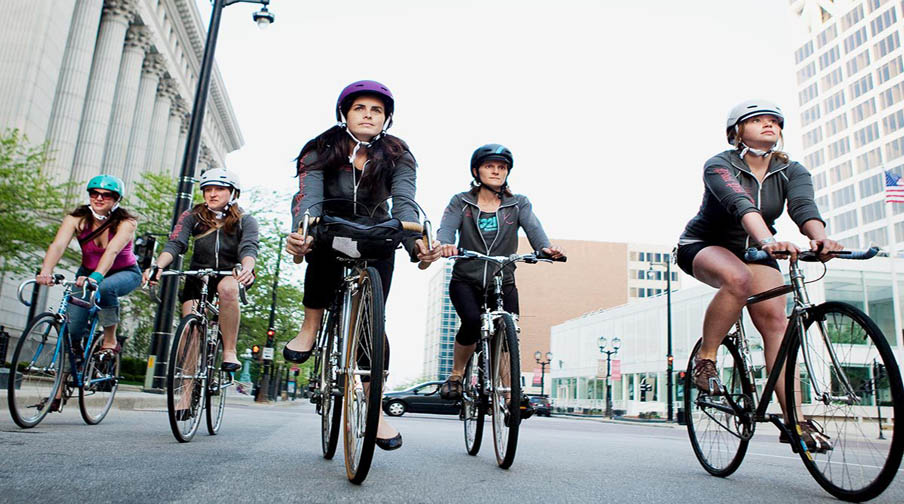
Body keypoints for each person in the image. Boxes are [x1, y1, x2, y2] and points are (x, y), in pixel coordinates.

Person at [676, 99, 842, 452]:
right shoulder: (720, 164)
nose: (769, 125)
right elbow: (740, 204)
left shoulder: (791, 170)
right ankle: (706, 359)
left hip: (757, 250)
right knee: (737, 280)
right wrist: (768, 239)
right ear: (736, 131)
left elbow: (803, 207)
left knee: (776, 324)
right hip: (705, 244)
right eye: (757, 120)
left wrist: (819, 236)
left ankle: (793, 419)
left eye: (775, 121)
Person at [284, 80, 440, 451]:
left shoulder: (399, 153)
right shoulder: (320, 148)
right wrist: (303, 232)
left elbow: (404, 202)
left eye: (376, 110)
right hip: (329, 224)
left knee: (373, 319)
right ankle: (310, 327)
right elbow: (309, 197)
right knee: (321, 245)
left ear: (386, 118)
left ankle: (375, 408)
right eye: (360, 108)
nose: (368, 115)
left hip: (376, 229)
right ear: (345, 113)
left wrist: (416, 242)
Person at [434, 144, 564, 403]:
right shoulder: (461, 202)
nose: (495, 171)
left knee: (508, 333)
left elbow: (534, 229)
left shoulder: (518, 204)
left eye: (501, 167)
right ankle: (457, 375)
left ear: (507, 172)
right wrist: (445, 244)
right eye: (489, 166)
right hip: (466, 280)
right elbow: (446, 228)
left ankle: (509, 394)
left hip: (503, 280)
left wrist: (545, 249)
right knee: (471, 321)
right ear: (476, 171)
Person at [36, 175, 141, 410]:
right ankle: (58, 393)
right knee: (70, 332)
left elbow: (113, 251)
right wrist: (46, 270)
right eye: (94, 193)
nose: (99, 198)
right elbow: (58, 245)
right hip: (87, 273)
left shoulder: (126, 223)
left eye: (106, 195)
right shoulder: (77, 218)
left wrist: (95, 277)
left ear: (116, 199)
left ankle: (110, 339)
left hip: (123, 273)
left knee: (105, 288)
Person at [144, 168, 259, 373]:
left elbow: (249, 248)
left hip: (231, 273)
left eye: (220, 189)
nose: (212, 194)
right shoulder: (191, 216)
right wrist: (158, 266)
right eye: (208, 189)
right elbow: (175, 243)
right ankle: (185, 393)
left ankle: (229, 351)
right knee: (189, 332)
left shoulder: (245, 220)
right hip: (199, 274)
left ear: (233, 193)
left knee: (227, 290)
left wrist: (247, 269)